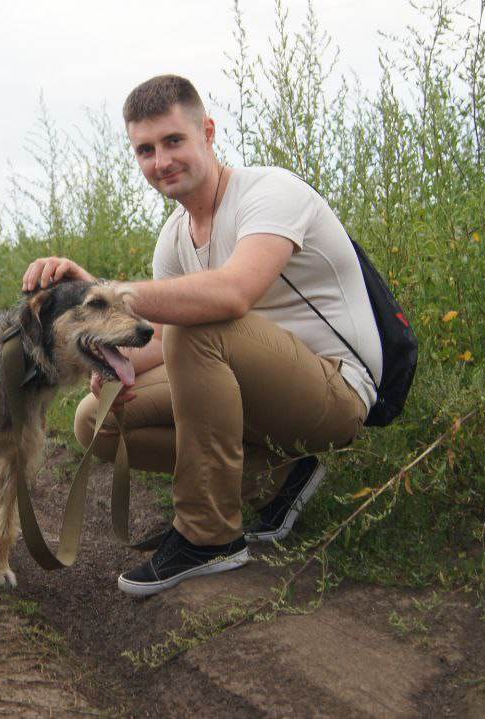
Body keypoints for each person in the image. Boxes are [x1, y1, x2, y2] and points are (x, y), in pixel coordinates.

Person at [22, 74, 381, 597]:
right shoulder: (174, 238)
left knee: (201, 328)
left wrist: (101, 290)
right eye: (145, 150)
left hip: (333, 392)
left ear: (208, 133)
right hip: (251, 388)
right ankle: (280, 474)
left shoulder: (271, 194)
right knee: (94, 422)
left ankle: (209, 536)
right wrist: (115, 368)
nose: (160, 161)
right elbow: (162, 338)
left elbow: (232, 296)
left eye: (173, 141)